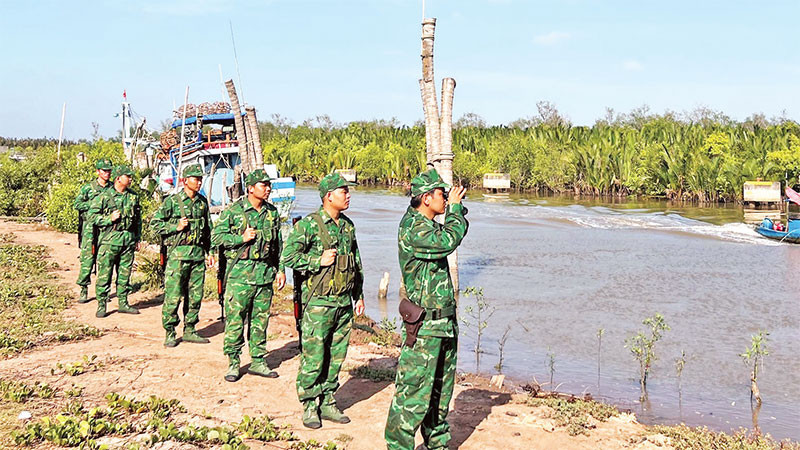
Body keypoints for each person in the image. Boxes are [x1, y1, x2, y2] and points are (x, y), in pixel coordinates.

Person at [384, 168, 469, 450]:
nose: (445, 198)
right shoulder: (413, 229)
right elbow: (448, 242)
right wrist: (455, 209)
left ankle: (437, 443)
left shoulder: (430, 225)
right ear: (426, 198)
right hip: (425, 327)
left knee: (440, 394)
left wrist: (456, 209)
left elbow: (452, 232)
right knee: (413, 394)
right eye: (441, 194)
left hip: (443, 323)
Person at [281, 173, 365, 429]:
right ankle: (309, 403)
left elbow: (355, 262)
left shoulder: (348, 226)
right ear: (329, 196)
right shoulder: (308, 225)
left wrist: (358, 295)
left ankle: (328, 400)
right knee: (314, 356)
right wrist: (317, 260)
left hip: (342, 303)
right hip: (318, 303)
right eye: (343, 192)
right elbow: (288, 256)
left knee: (336, 355)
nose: (348, 195)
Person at [211, 169, 286, 382]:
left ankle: (258, 361)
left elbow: (278, 245)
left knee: (260, 321)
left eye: (269, 185)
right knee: (236, 321)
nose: (268, 189)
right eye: (264, 185)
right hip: (239, 276)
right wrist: (240, 238)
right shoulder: (235, 212)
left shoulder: (272, 213)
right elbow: (216, 237)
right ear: (251, 188)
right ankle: (234, 363)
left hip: (264, 275)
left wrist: (280, 270)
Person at [150, 164, 214, 348]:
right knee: (173, 295)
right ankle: (170, 331)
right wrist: (174, 227)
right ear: (185, 180)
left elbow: (208, 229)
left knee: (195, 296)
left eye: (200, 178)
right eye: (196, 178)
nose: (199, 182)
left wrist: (210, 252)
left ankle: (190, 329)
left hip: (197, 256)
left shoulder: (202, 202)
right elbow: (155, 224)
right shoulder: (172, 201)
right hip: (177, 256)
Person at [89, 164, 142, 318]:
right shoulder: (105, 196)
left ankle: (124, 303)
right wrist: (108, 219)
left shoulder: (133, 196)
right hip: (109, 240)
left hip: (127, 240)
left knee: (125, 273)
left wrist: (137, 238)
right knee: (105, 273)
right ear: (119, 178)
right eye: (128, 176)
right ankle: (102, 304)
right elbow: (92, 216)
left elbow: (138, 220)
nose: (131, 179)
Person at [73, 158, 113, 303]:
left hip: (107, 228)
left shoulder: (113, 188)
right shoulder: (88, 188)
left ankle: (103, 292)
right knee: (87, 260)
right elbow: (77, 204)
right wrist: (94, 204)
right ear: (98, 172)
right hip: (90, 228)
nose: (107, 173)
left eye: (109, 170)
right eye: (104, 170)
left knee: (105, 261)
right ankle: (84, 289)